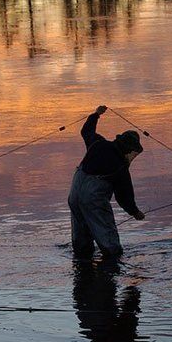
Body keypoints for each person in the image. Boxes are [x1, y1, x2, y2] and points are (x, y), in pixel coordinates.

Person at [68, 105, 145, 258]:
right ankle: (113, 266)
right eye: (133, 154)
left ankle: (83, 268)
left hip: (74, 196)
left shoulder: (98, 143)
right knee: (110, 243)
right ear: (128, 149)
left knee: (81, 244)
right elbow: (124, 196)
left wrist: (96, 114)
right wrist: (135, 212)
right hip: (93, 199)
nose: (133, 157)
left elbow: (86, 131)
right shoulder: (120, 166)